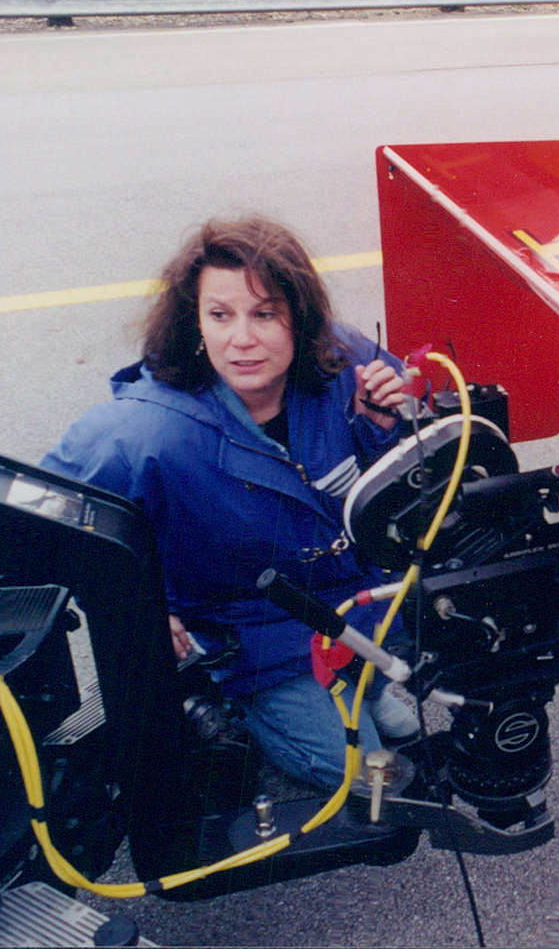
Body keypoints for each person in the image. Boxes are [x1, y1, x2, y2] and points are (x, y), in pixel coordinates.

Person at [43, 215, 420, 790]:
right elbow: (45, 520)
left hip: (355, 605)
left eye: (264, 314)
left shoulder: (346, 362)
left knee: (402, 709)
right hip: (259, 632)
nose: (241, 338)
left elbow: (421, 463)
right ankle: (244, 700)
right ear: (195, 321)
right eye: (220, 315)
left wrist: (382, 425)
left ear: (301, 319)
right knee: (371, 779)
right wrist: (140, 603)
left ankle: (362, 683)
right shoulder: (147, 431)